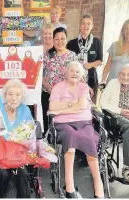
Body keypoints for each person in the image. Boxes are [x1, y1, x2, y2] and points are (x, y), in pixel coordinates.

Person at [48, 61, 104, 198]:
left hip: (84, 122)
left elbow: (82, 105)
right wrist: (71, 105)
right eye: (71, 71)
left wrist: (61, 110)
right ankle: (69, 186)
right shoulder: (58, 87)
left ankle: (98, 184)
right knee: (70, 137)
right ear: (65, 73)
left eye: (78, 72)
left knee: (90, 140)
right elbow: (52, 106)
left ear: (81, 75)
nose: (74, 73)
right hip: (63, 125)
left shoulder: (84, 87)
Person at [0, 79, 32, 198]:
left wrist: (15, 139)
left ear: (22, 97)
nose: (13, 98)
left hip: (19, 150)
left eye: (17, 94)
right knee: (2, 173)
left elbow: (28, 134)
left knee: (22, 173)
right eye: (10, 94)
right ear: (5, 96)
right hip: (1, 151)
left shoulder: (25, 110)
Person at [42, 27, 78, 133]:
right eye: (57, 39)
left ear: (66, 39)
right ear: (53, 40)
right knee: (47, 122)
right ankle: (47, 143)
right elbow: (39, 74)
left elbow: (77, 73)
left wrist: (85, 86)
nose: (60, 42)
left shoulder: (72, 55)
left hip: (65, 96)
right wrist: (47, 86)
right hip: (47, 93)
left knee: (62, 124)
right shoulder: (48, 55)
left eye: (62, 39)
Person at [67, 14, 103, 104]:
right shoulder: (71, 43)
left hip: (91, 78)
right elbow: (68, 63)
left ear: (92, 26)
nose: (85, 26)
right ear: (80, 26)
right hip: (75, 79)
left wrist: (90, 65)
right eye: (83, 23)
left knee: (91, 105)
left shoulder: (97, 42)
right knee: (76, 103)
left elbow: (100, 61)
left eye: (88, 24)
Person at [101, 19, 129, 83]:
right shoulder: (114, 45)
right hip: (113, 81)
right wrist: (103, 80)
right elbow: (108, 64)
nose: (128, 31)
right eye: (126, 28)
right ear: (122, 30)